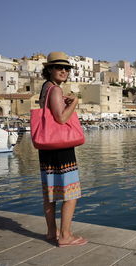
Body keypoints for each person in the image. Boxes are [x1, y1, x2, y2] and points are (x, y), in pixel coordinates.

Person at [38, 51, 87, 247]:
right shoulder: (56, 90)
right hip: (61, 147)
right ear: (49, 69)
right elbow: (61, 118)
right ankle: (65, 236)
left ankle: (52, 232)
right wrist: (74, 103)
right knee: (70, 194)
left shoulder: (45, 88)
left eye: (67, 68)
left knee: (50, 193)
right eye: (59, 67)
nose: (64, 71)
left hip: (47, 146)